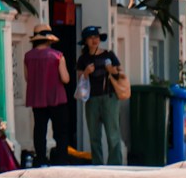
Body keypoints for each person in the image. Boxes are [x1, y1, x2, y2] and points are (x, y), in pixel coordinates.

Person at [22, 26, 72, 164]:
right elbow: (65, 78)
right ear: (49, 40)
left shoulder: (28, 56)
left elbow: (27, 78)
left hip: (37, 98)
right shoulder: (57, 56)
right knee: (60, 131)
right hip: (56, 97)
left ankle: (41, 158)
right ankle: (62, 159)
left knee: (39, 129)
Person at [77, 26, 124, 165]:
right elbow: (80, 79)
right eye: (91, 38)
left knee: (113, 134)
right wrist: (86, 72)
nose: (94, 40)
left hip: (110, 97)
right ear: (85, 41)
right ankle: (97, 164)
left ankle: (115, 164)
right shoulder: (83, 58)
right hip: (91, 99)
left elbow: (120, 73)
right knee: (94, 136)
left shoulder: (108, 54)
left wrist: (111, 70)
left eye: (96, 37)